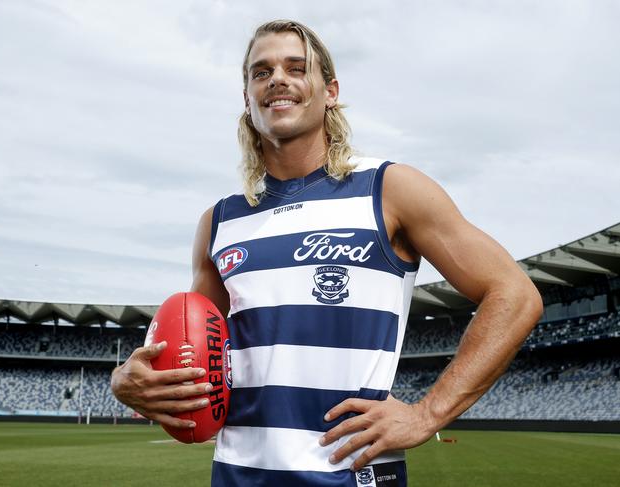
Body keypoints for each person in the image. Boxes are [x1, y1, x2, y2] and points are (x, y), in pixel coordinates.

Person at [111, 19, 543, 486]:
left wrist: (427, 414)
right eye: (261, 72)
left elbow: (514, 295)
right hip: (237, 476)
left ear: (330, 90)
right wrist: (129, 381)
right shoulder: (219, 221)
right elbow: (196, 356)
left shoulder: (389, 189)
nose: (277, 78)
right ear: (247, 100)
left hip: (351, 477)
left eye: (297, 68)